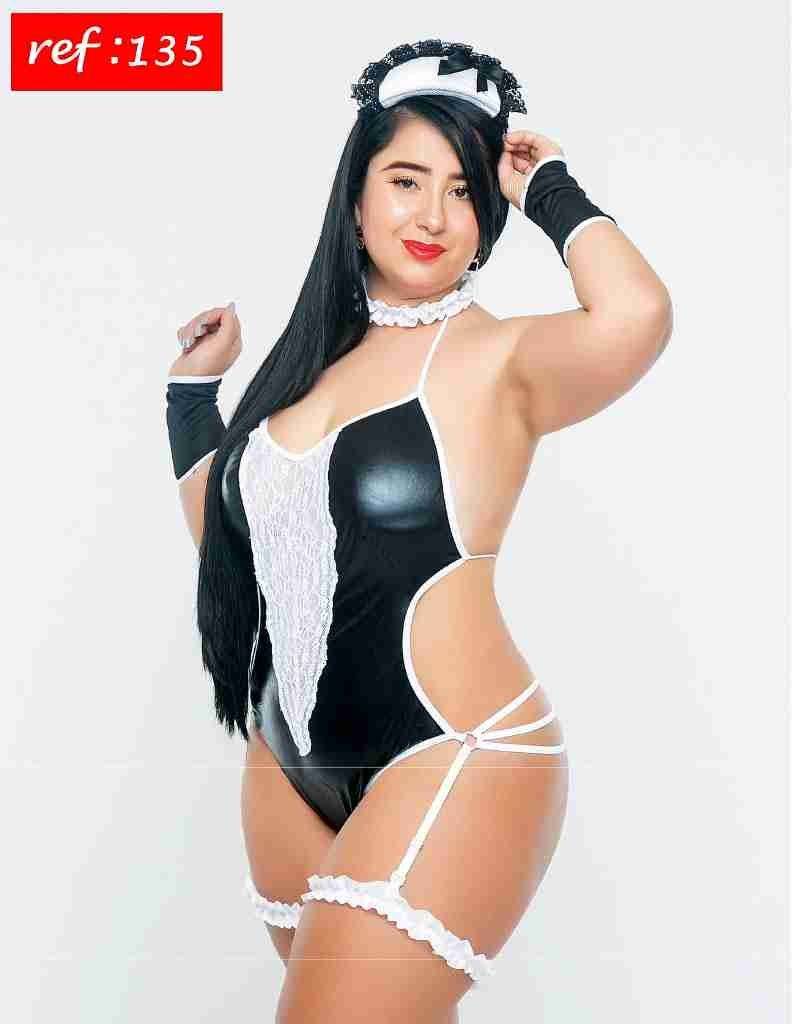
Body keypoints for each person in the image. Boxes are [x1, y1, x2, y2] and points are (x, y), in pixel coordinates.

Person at [166, 38, 672, 1022]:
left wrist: (549, 187)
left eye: (462, 190)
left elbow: (636, 315)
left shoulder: (498, 359)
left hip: (457, 747)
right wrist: (193, 400)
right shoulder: (303, 370)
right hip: (288, 770)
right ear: (354, 197)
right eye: (405, 180)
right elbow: (239, 552)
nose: (434, 215)